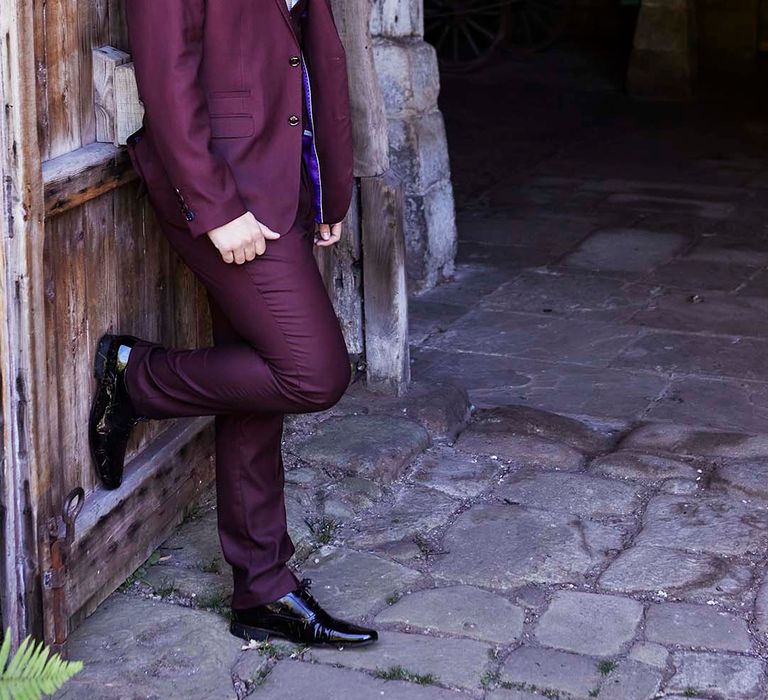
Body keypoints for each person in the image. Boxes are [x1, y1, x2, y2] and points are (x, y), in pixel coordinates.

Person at [87, 0, 378, 648]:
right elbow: (166, 73)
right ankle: (136, 379)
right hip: (227, 191)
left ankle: (263, 589)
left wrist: (330, 181)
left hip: (286, 179)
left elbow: (313, 49)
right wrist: (216, 207)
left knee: (258, 379)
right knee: (314, 373)